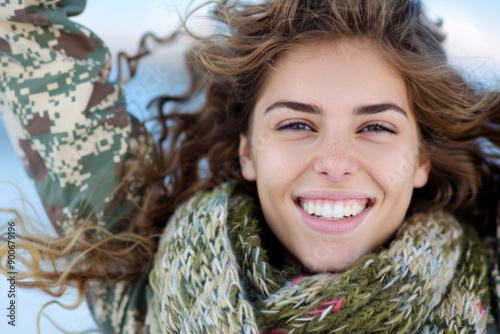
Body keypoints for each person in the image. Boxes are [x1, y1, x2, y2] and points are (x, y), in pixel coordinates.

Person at [1, 0, 500, 333]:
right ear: (248, 152)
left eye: (376, 128)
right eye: (296, 125)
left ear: (420, 159)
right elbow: (19, 23)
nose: (334, 164)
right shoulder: (139, 282)